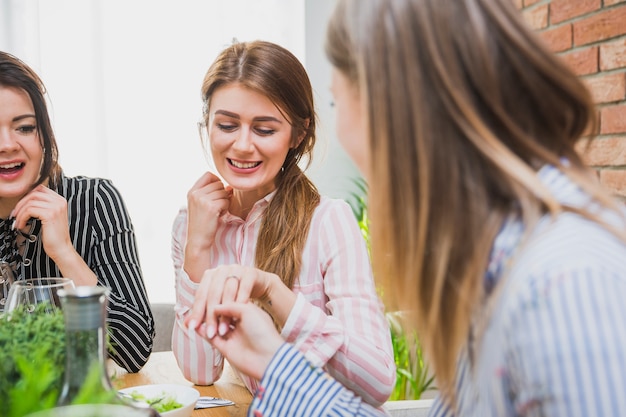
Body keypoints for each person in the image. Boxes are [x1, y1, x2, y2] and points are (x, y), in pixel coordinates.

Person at [184, 0, 626, 416]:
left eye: (339, 102)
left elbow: (375, 378)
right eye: (227, 124)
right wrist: (276, 363)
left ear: (395, 107)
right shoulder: (503, 261)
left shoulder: (564, 282)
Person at [171, 40, 395, 407]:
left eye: (264, 129)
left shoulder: (328, 222)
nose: (242, 146)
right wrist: (196, 249)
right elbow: (200, 372)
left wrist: (278, 296)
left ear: (298, 134)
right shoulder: (192, 224)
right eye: (227, 124)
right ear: (207, 124)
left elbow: (378, 380)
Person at [0, 51, 154, 373]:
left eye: (25, 128)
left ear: (44, 134)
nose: (7, 144)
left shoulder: (94, 200)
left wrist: (65, 254)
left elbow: (135, 348)